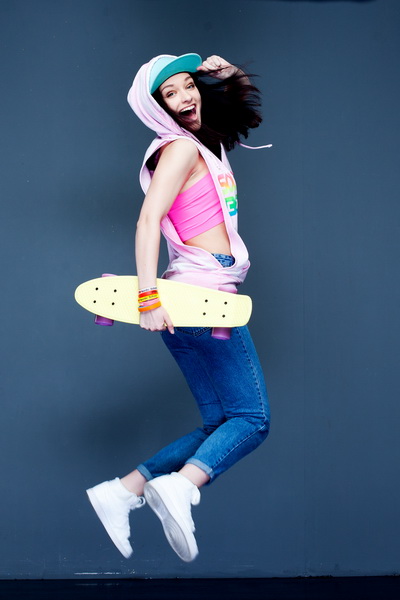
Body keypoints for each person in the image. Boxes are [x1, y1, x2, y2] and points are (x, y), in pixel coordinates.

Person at [86, 53, 271, 563]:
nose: (186, 96)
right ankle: (181, 486)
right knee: (252, 419)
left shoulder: (201, 143)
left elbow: (243, 114)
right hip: (202, 299)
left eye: (189, 85)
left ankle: (122, 492)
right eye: (171, 93)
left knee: (219, 424)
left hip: (189, 301)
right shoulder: (178, 149)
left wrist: (230, 74)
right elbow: (148, 221)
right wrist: (146, 297)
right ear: (157, 107)